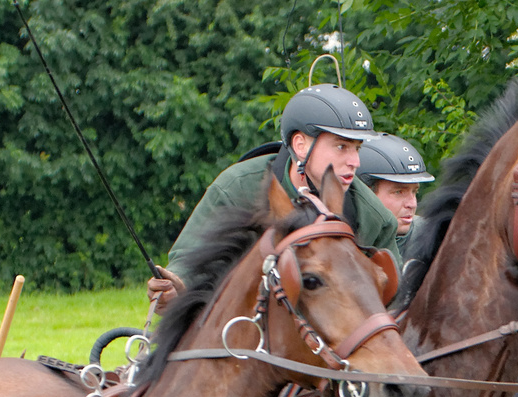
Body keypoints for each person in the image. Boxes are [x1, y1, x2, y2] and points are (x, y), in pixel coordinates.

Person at [148, 84, 400, 309]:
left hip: (331, 345)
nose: (355, 162)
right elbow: (190, 260)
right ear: (301, 145)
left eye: (357, 149)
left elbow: (394, 299)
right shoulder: (238, 187)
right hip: (237, 330)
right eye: (341, 147)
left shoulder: (373, 217)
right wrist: (176, 285)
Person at [355, 134, 434, 261]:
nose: (412, 204)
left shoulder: (433, 240)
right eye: (398, 192)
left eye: (414, 192)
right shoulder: (338, 243)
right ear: (366, 193)